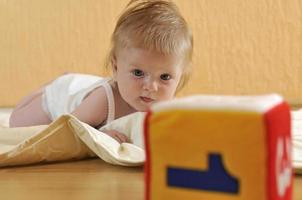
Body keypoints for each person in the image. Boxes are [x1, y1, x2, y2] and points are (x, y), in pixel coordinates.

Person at [9, 0, 193, 143]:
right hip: (60, 98)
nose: (151, 87)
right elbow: (68, 127)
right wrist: (100, 135)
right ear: (115, 67)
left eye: (165, 77)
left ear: (180, 77)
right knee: (18, 126)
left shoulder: (166, 106)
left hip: (85, 86)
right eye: (138, 73)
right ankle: (50, 86)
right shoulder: (104, 101)